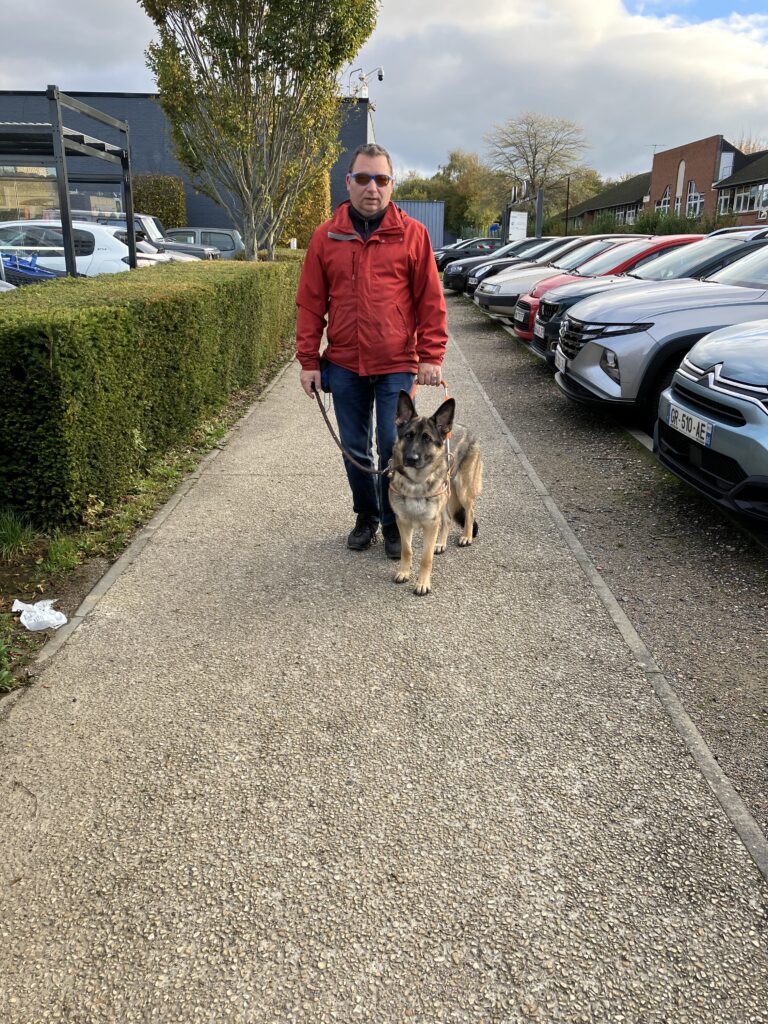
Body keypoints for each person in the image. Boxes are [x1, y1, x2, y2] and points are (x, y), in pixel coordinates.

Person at [296, 143, 448, 560]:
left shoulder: (412, 234)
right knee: (355, 448)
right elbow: (310, 303)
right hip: (344, 363)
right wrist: (310, 361)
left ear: (391, 184)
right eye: (363, 178)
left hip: (396, 364)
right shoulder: (326, 236)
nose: (372, 188)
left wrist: (431, 355)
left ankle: (391, 522)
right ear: (348, 183)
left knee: (391, 444)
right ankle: (366, 514)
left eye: (381, 179)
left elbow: (429, 300)